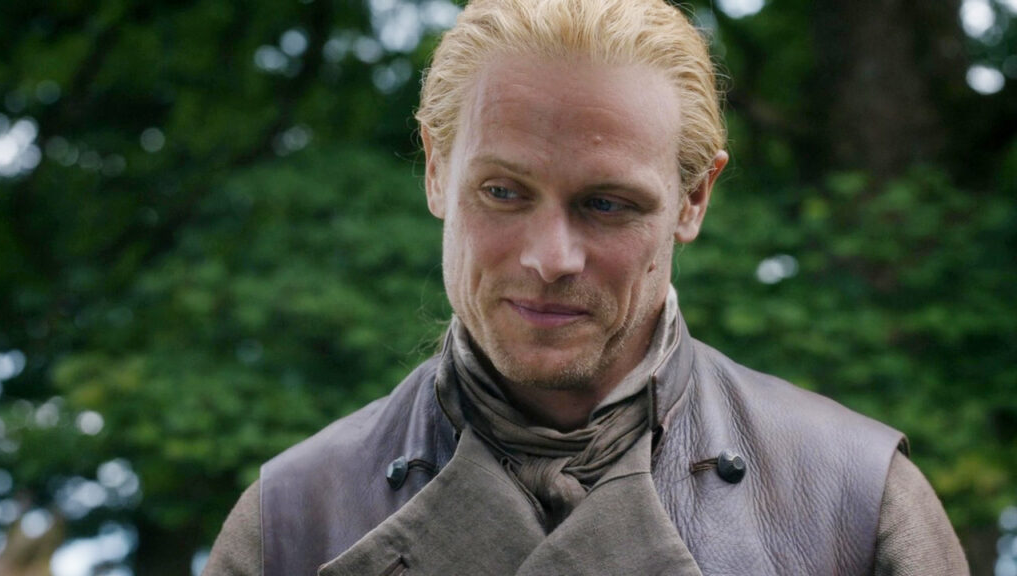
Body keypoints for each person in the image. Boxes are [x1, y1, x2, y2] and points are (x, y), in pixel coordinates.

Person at [204, 0, 969, 574]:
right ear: (436, 169)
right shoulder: (292, 521)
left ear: (694, 198)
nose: (550, 258)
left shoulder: (855, 504)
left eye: (606, 204)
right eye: (503, 192)